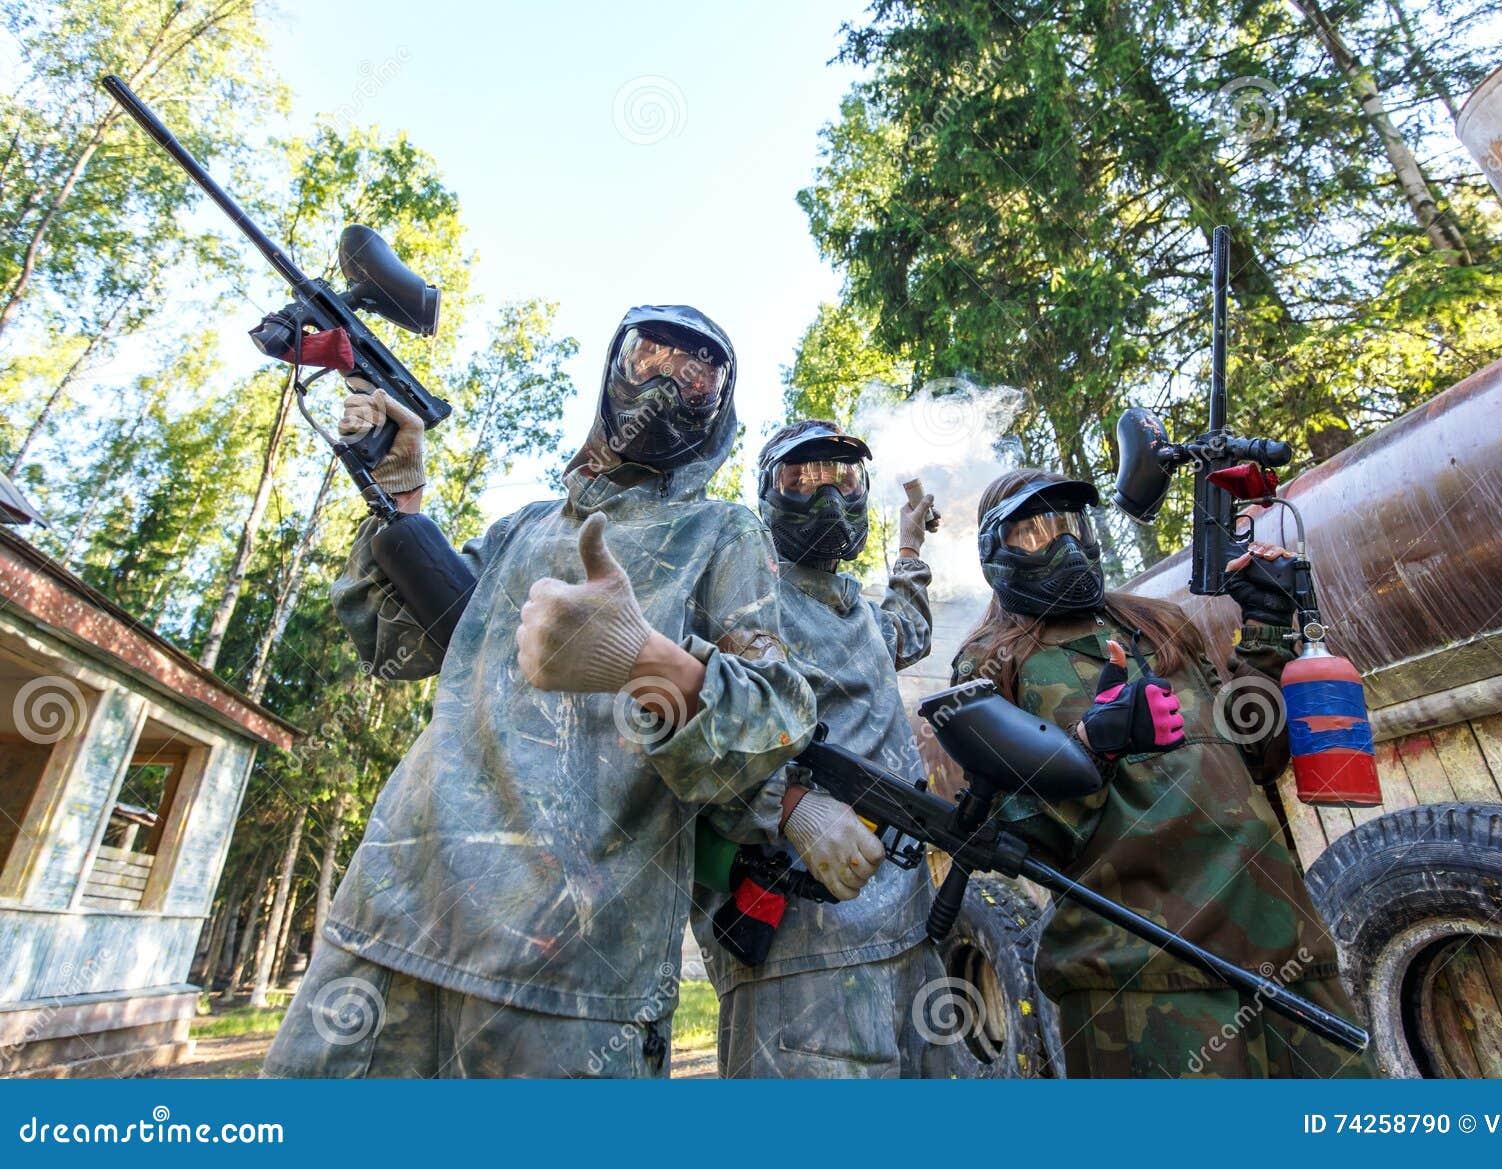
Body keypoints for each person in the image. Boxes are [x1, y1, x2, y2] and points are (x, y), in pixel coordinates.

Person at [264, 306, 815, 1078]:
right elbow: (397, 647)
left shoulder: (722, 534)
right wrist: (398, 500)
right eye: (648, 354)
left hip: (575, 982)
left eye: (698, 375)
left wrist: (642, 658)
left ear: (718, 410)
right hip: (390, 925)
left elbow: (777, 724)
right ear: (610, 372)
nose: (667, 380)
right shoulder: (520, 529)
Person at [953, 469, 1375, 1078]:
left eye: (1073, 525)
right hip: (1143, 980)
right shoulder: (990, 663)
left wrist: (1267, 630)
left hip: (1283, 946)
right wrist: (1092, 748)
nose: (1065, 545)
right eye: (1035, 532)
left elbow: (1252, 757)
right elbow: (1012, 835)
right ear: (995, 552)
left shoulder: (1157, 624)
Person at [691, 419, 950, 1078]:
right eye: (801, 479)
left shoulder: (855, 609)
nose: (828, 496)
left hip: (912, 938)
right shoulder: (741, 600)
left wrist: (912, 539)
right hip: (803, 958)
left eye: (845, 478)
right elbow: (670, 722)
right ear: (767, 496)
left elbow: (908, 627)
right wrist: (787, 803)